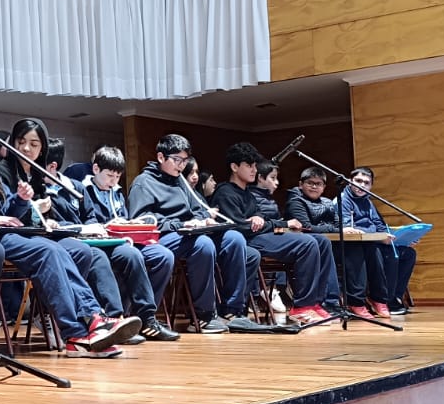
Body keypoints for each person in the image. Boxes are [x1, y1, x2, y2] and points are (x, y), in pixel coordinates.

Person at [0, 114, 139, 358]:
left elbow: (6, 211)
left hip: (8, 230)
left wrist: (20, 200)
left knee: (62, 249)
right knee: (49, 250)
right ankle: (77, 332)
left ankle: (92, 320)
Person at [17, 124, 176, 344]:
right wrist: (78, 227)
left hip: (97, 239)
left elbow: (90, 216)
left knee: (132, 254)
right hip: (70, 241)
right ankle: (114, 319)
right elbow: (46, 223)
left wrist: (100, 227)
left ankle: (147, 318)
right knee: (97, 257)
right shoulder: (35, 189)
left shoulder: (76, 187)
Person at [127, 134, 258, 334]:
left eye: (185, 160)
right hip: (163, 236)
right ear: (161, 157)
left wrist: (203, 220)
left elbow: (198, 208)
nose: (181, 165)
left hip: (189, 232)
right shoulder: (143, 182)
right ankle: (204, 315)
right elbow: (142, 220)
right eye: (177, 160)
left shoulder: (180, 180)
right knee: (203, 244)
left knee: (234, 238)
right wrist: (181, 224)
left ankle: (232, 310)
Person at [209, 146, 339, 329]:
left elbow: (260, 218)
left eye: (255, 165)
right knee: (307, 243)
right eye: (249, 165)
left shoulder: (248, 193)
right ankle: (302, 306)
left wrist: (260, 219)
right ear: (234, 167)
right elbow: (240, 226)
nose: (254, 170)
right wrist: (278, 223)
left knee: (322, 241)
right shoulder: (225, 192)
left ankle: (315, 303)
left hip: (258, 235)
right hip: (245, 241)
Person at [69, 146, 181, 342]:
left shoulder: (118, 192)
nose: (113, 181)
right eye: (109, 175)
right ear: (95, 169)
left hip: (120, 241)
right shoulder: (83, 190)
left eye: (117, 176)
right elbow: (87, 221)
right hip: (98, 244)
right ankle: (116, 320)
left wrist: (130, 224)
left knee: (153, 255)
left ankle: (146, 318)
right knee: (124, 256)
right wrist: (105, 226)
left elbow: (124, 217)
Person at [338, 166, 394, 321]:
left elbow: (379, 224)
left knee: (395, 253)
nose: (361, 185)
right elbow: (347, 227)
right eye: (358, 181)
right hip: (346, 244)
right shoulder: (342, 199)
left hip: (368, 240)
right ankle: (356, 302)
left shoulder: (368, 202)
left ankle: (381, 299)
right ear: (349, 181)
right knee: (361, 251)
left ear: (371, 186)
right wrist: (372, 232)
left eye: (366, 183)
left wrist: (389, 235)